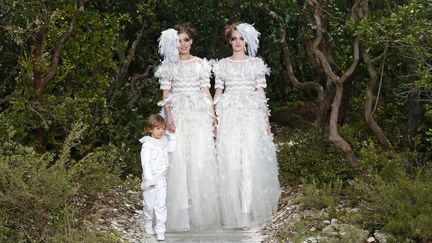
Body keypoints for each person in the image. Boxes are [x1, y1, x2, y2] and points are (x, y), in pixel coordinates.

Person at [213, 22, 281, 229]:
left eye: (241, 38)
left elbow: (261, 93)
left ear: (247, 41)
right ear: (229, 41)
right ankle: (233, 210)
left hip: (251, 116)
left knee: (250, 161)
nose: (237, 42)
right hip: (229, 115)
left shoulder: (256, 64)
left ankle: (246, 211)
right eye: (233, 38)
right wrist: (214, 118)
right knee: (231, 161)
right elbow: (218, 92)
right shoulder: (222, 65)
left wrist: (265, 119)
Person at [154, 24, 220, 231]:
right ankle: (180, 213)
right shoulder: (169, 66)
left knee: (199, 159)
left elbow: (205, 91)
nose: (182, 44)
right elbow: (166, 95)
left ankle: (198, 212)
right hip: (178, 116)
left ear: (192, 41)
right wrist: (169, 118)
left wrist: (213, 115)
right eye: (178, 41)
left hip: (198, 114)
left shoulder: (201, 64)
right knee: (179, 161)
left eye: (186, 40)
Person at [139, 114, 176, 241]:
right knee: (149, 205)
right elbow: (146, 162)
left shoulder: (164, 142)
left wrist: (172, 136)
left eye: (162, 128)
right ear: (150, 129)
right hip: (150, 180)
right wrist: (149, 179)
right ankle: (147, 223)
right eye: (157, 128)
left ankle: (160, 229)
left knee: (161, 205)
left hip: (161, 180)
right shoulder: (147, 144)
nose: (160, 131)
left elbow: (172, 149)